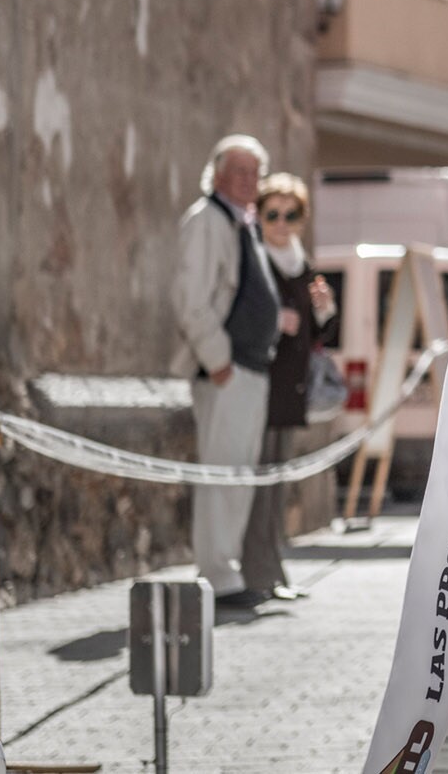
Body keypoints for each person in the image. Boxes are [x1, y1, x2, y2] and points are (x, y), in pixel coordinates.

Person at [172, 134, 281, 612]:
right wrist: (217, 362)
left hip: (250, 366)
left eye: (254, 172)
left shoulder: (244, 224)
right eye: (238, 171)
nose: (248, 181)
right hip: (226, 369)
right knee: (222, 473)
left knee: (238, 474)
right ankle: (216, 576)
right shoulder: (206, 221)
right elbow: (189, 298)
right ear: (216, 176)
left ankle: (227, 570)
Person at [241, 172, 338, 601]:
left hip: (290, 391)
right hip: (258, 386)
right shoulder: (255, 257)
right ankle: (253, 575)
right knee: (256, 486)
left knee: (277, 486)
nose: (281, 222)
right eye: (273, 213)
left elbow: (322, 335)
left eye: (291, 213)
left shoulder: (302, 265)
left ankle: (273, 572)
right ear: (259, 215)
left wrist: (324, 310)